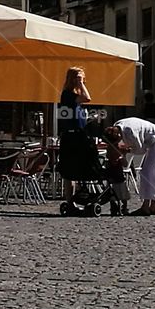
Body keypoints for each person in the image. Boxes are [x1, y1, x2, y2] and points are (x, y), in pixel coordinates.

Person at [105, 117, 155, 215]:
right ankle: (153, 206)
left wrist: (126, 150)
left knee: (149, 172)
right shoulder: (119, 125)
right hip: (151, 142)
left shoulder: (130, 132)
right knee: (151, 172)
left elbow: (140, 150)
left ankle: (146, 206)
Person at [57, 66, 95, 207]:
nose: (82, 80)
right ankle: (70, 201)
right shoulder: (67, 94)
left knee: (79, 167)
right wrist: (81, 84)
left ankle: (79, 196)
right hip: (71, 136)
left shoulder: (73, 96)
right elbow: (87, 98)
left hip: (79, 134)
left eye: (83, 78)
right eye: (79, 78)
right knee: (70, 169)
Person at [104, 134, 130, 216]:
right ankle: (121, 207)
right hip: (116, 175)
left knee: (117, 192)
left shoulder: (111, 148)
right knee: (119, 192)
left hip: (114, 175)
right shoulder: (114, 149)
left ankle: (119, 207)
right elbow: (125, 164)